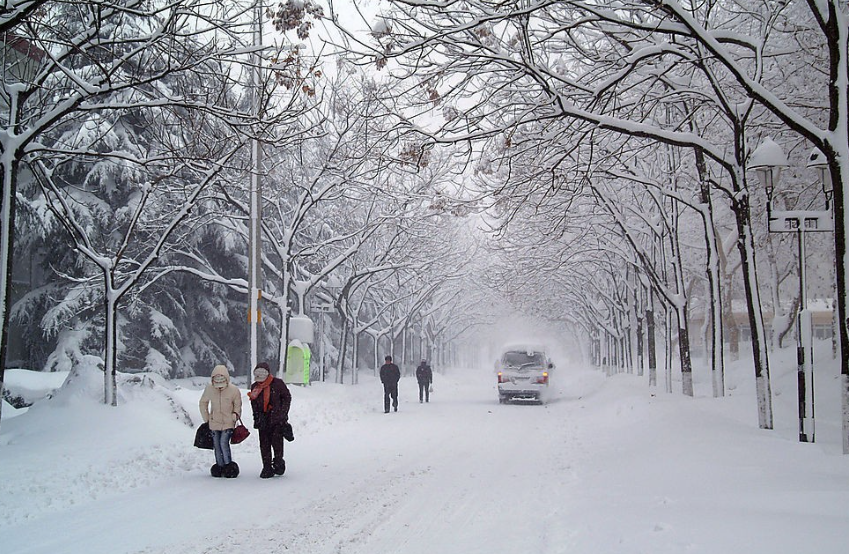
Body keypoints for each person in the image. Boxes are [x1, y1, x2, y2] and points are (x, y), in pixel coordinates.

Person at [248, 362, 292, 479]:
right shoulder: (255, 387)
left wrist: (282, 414)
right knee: (264, 444)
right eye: (257, 374)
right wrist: (256, 417)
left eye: (262, 374)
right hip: (263, 420)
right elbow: (253, 402)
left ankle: (278, 462)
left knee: (277, 442)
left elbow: (287, 397)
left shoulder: (277, 384)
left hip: (277, 419)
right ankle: (266, 466)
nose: (259, 377)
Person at [199, 364, 242, 478]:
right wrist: (206, 417)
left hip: (228, 422)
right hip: (214, 422)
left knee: (224, 443)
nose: (219, 381)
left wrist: (235, 415)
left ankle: (228, 466)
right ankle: (220, 466)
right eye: (216, 378)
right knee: (217, 445)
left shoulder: (233, 390)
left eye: (221, 378)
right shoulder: (209, 389)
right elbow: (203, 402)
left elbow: (238, 404)